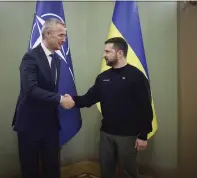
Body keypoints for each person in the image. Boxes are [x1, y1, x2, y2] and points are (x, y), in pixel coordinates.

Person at [65, 37, 153, 178]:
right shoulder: (103, 77)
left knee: (128, 173)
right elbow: (89, 98)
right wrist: (72, 100)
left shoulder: (136, 76)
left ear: (119, 53)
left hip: (128, 136)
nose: (104, 55)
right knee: (106, 170)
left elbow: (145, 107)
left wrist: (143, 135)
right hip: (106, 133)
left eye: (107, 51)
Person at [12, 18, 74, 178]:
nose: (64, 39)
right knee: (30, 169)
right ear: (48, 33)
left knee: (52, 167)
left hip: (50, 124)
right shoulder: (30, 58)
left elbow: (49, 89)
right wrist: (60, 99)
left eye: (65, 36)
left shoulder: (58, 60)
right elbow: (31, 89)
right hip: (30, 124)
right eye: (61, 35)